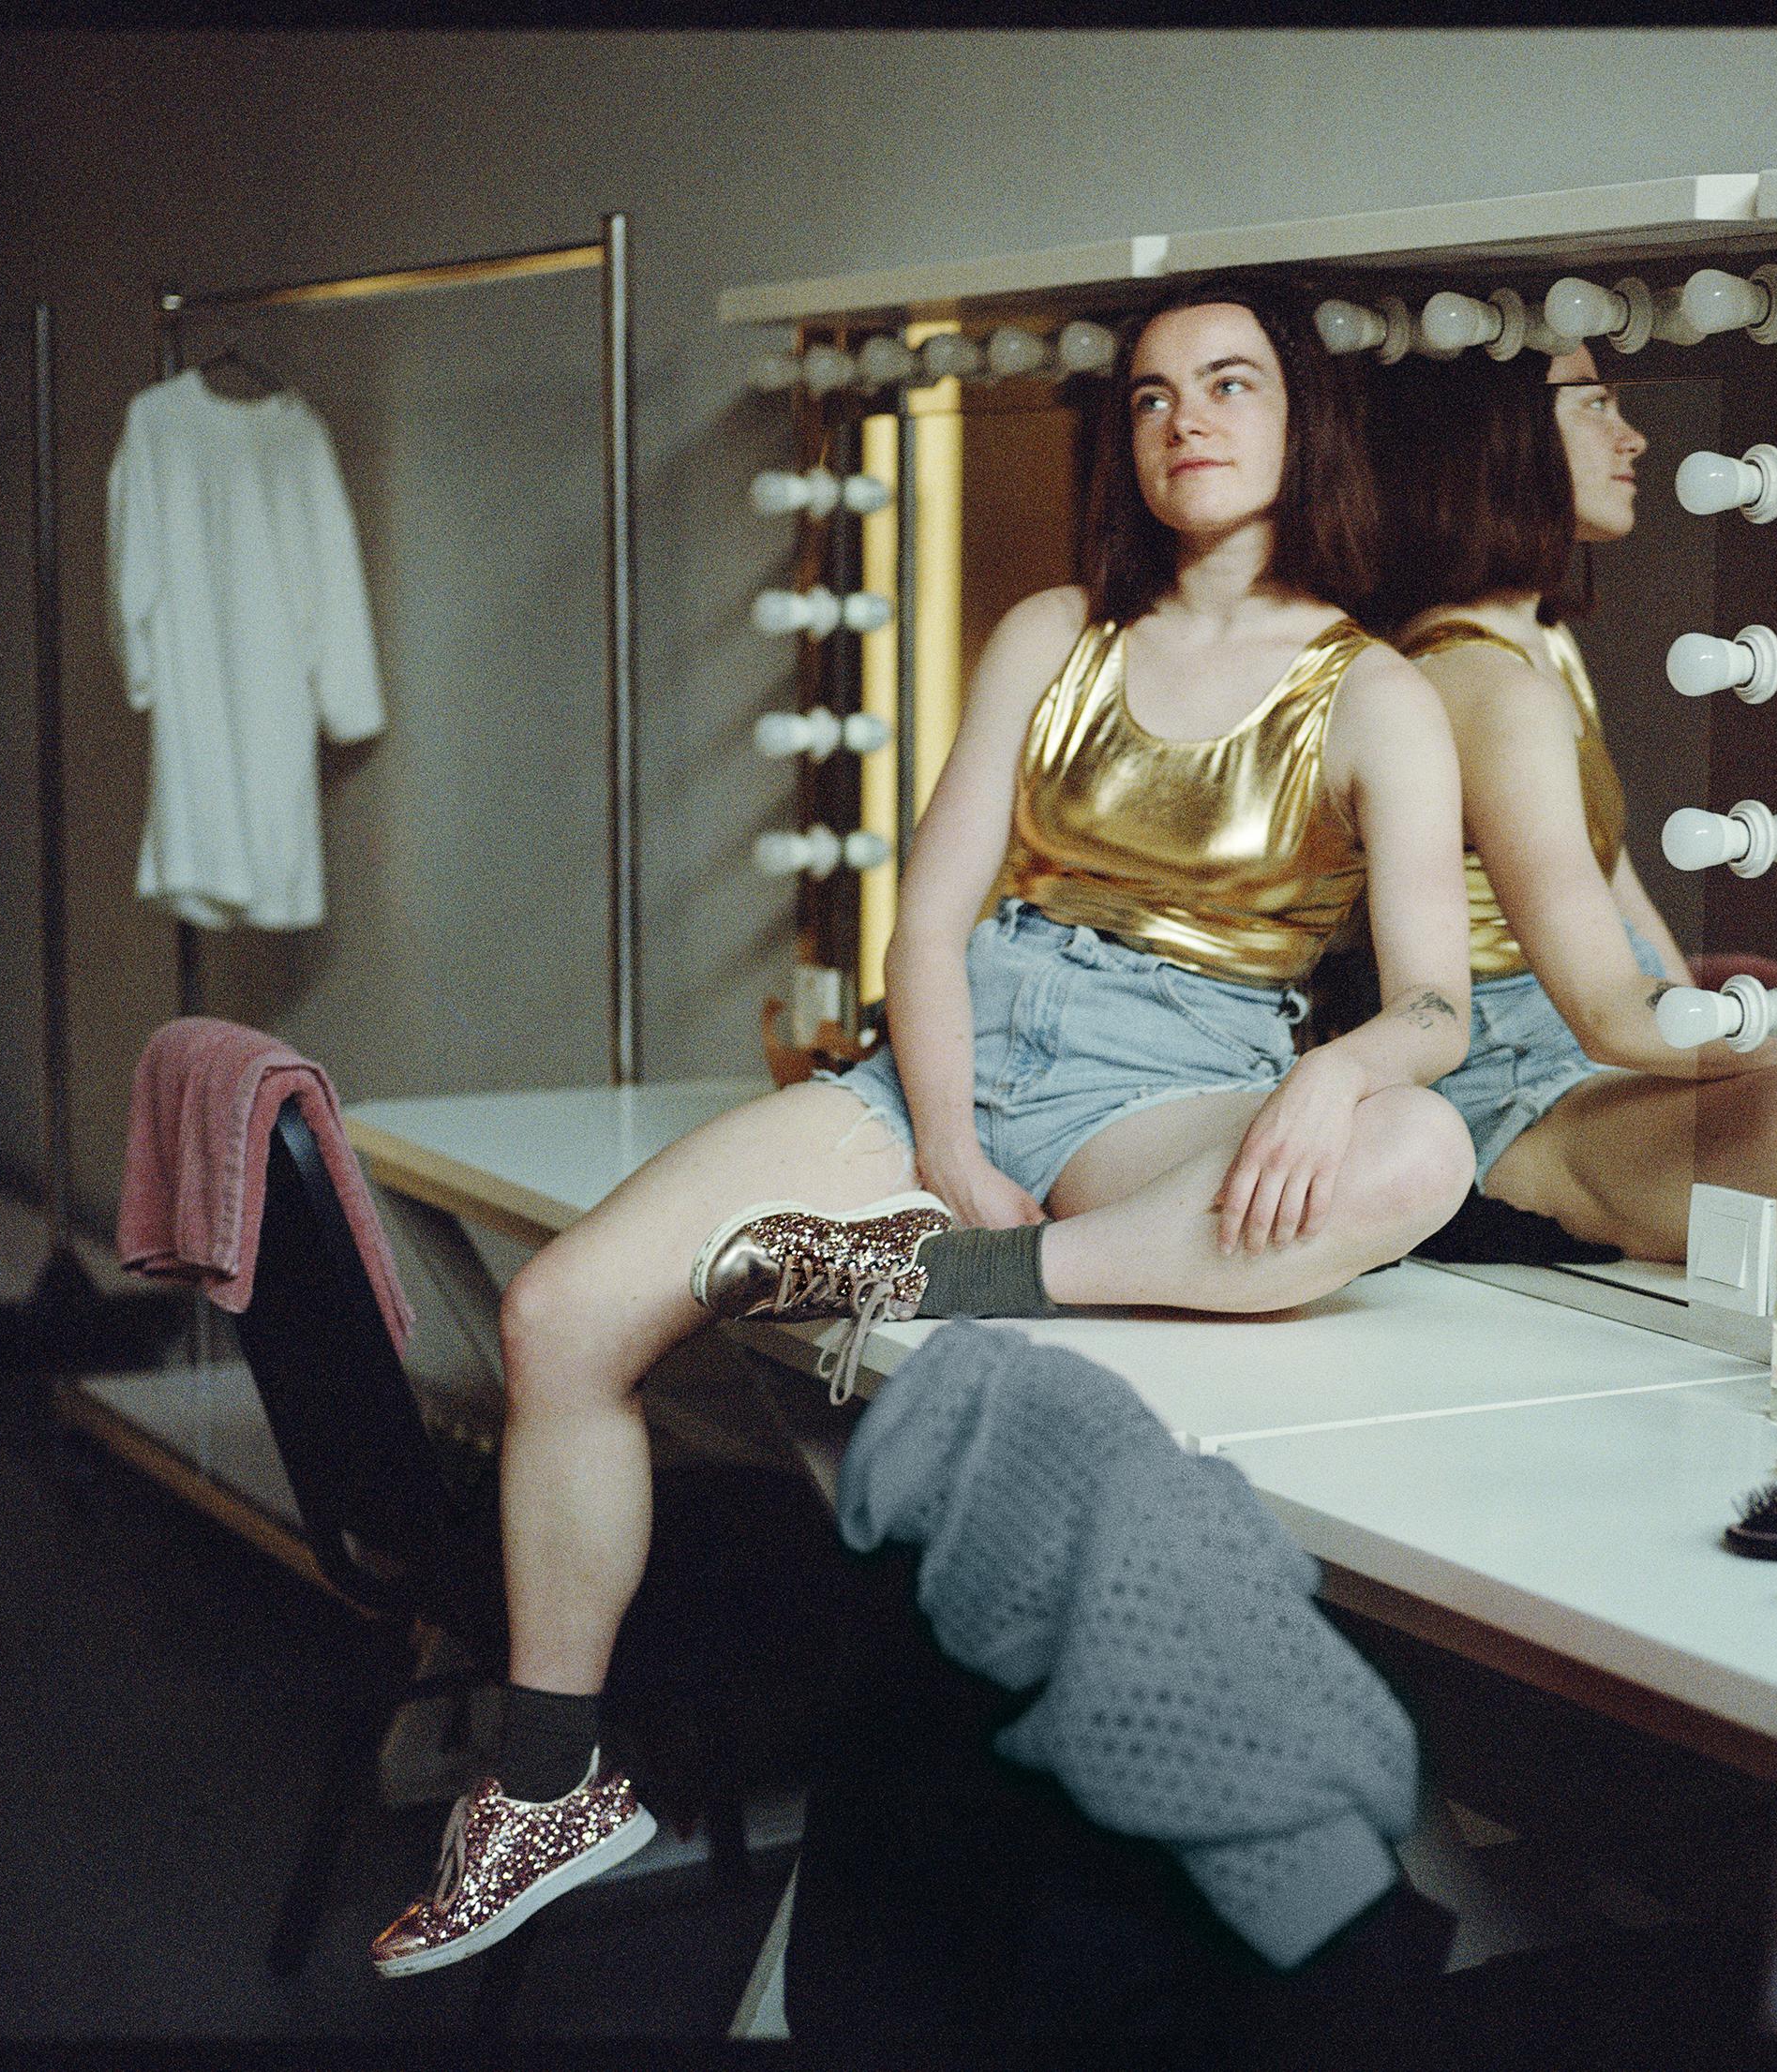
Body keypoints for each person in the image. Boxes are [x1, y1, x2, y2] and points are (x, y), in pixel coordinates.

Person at [369, 282, 1476, 1976]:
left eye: (1231, 384)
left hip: (1178, 1073)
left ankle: (965, 1274)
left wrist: (1332, 1075)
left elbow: (1436, 1016)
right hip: (963, 1045)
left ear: (1298, 419)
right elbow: (930, 921)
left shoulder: (1379, 691)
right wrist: (946, 1137)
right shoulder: (1054, 632)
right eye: (1155, 393)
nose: (1187, 417)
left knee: (1422, 1154)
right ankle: (547, 1784)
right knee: (558, 1315)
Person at [1356, 342, 1777, 1266]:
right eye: (1592, 405)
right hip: (1514, 1094)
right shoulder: (1482, 686)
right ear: (1493, 440)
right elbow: (1611, 1014)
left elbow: (1640, 948)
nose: (1634, 437)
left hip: (1604, 1067)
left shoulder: (1546, 653)